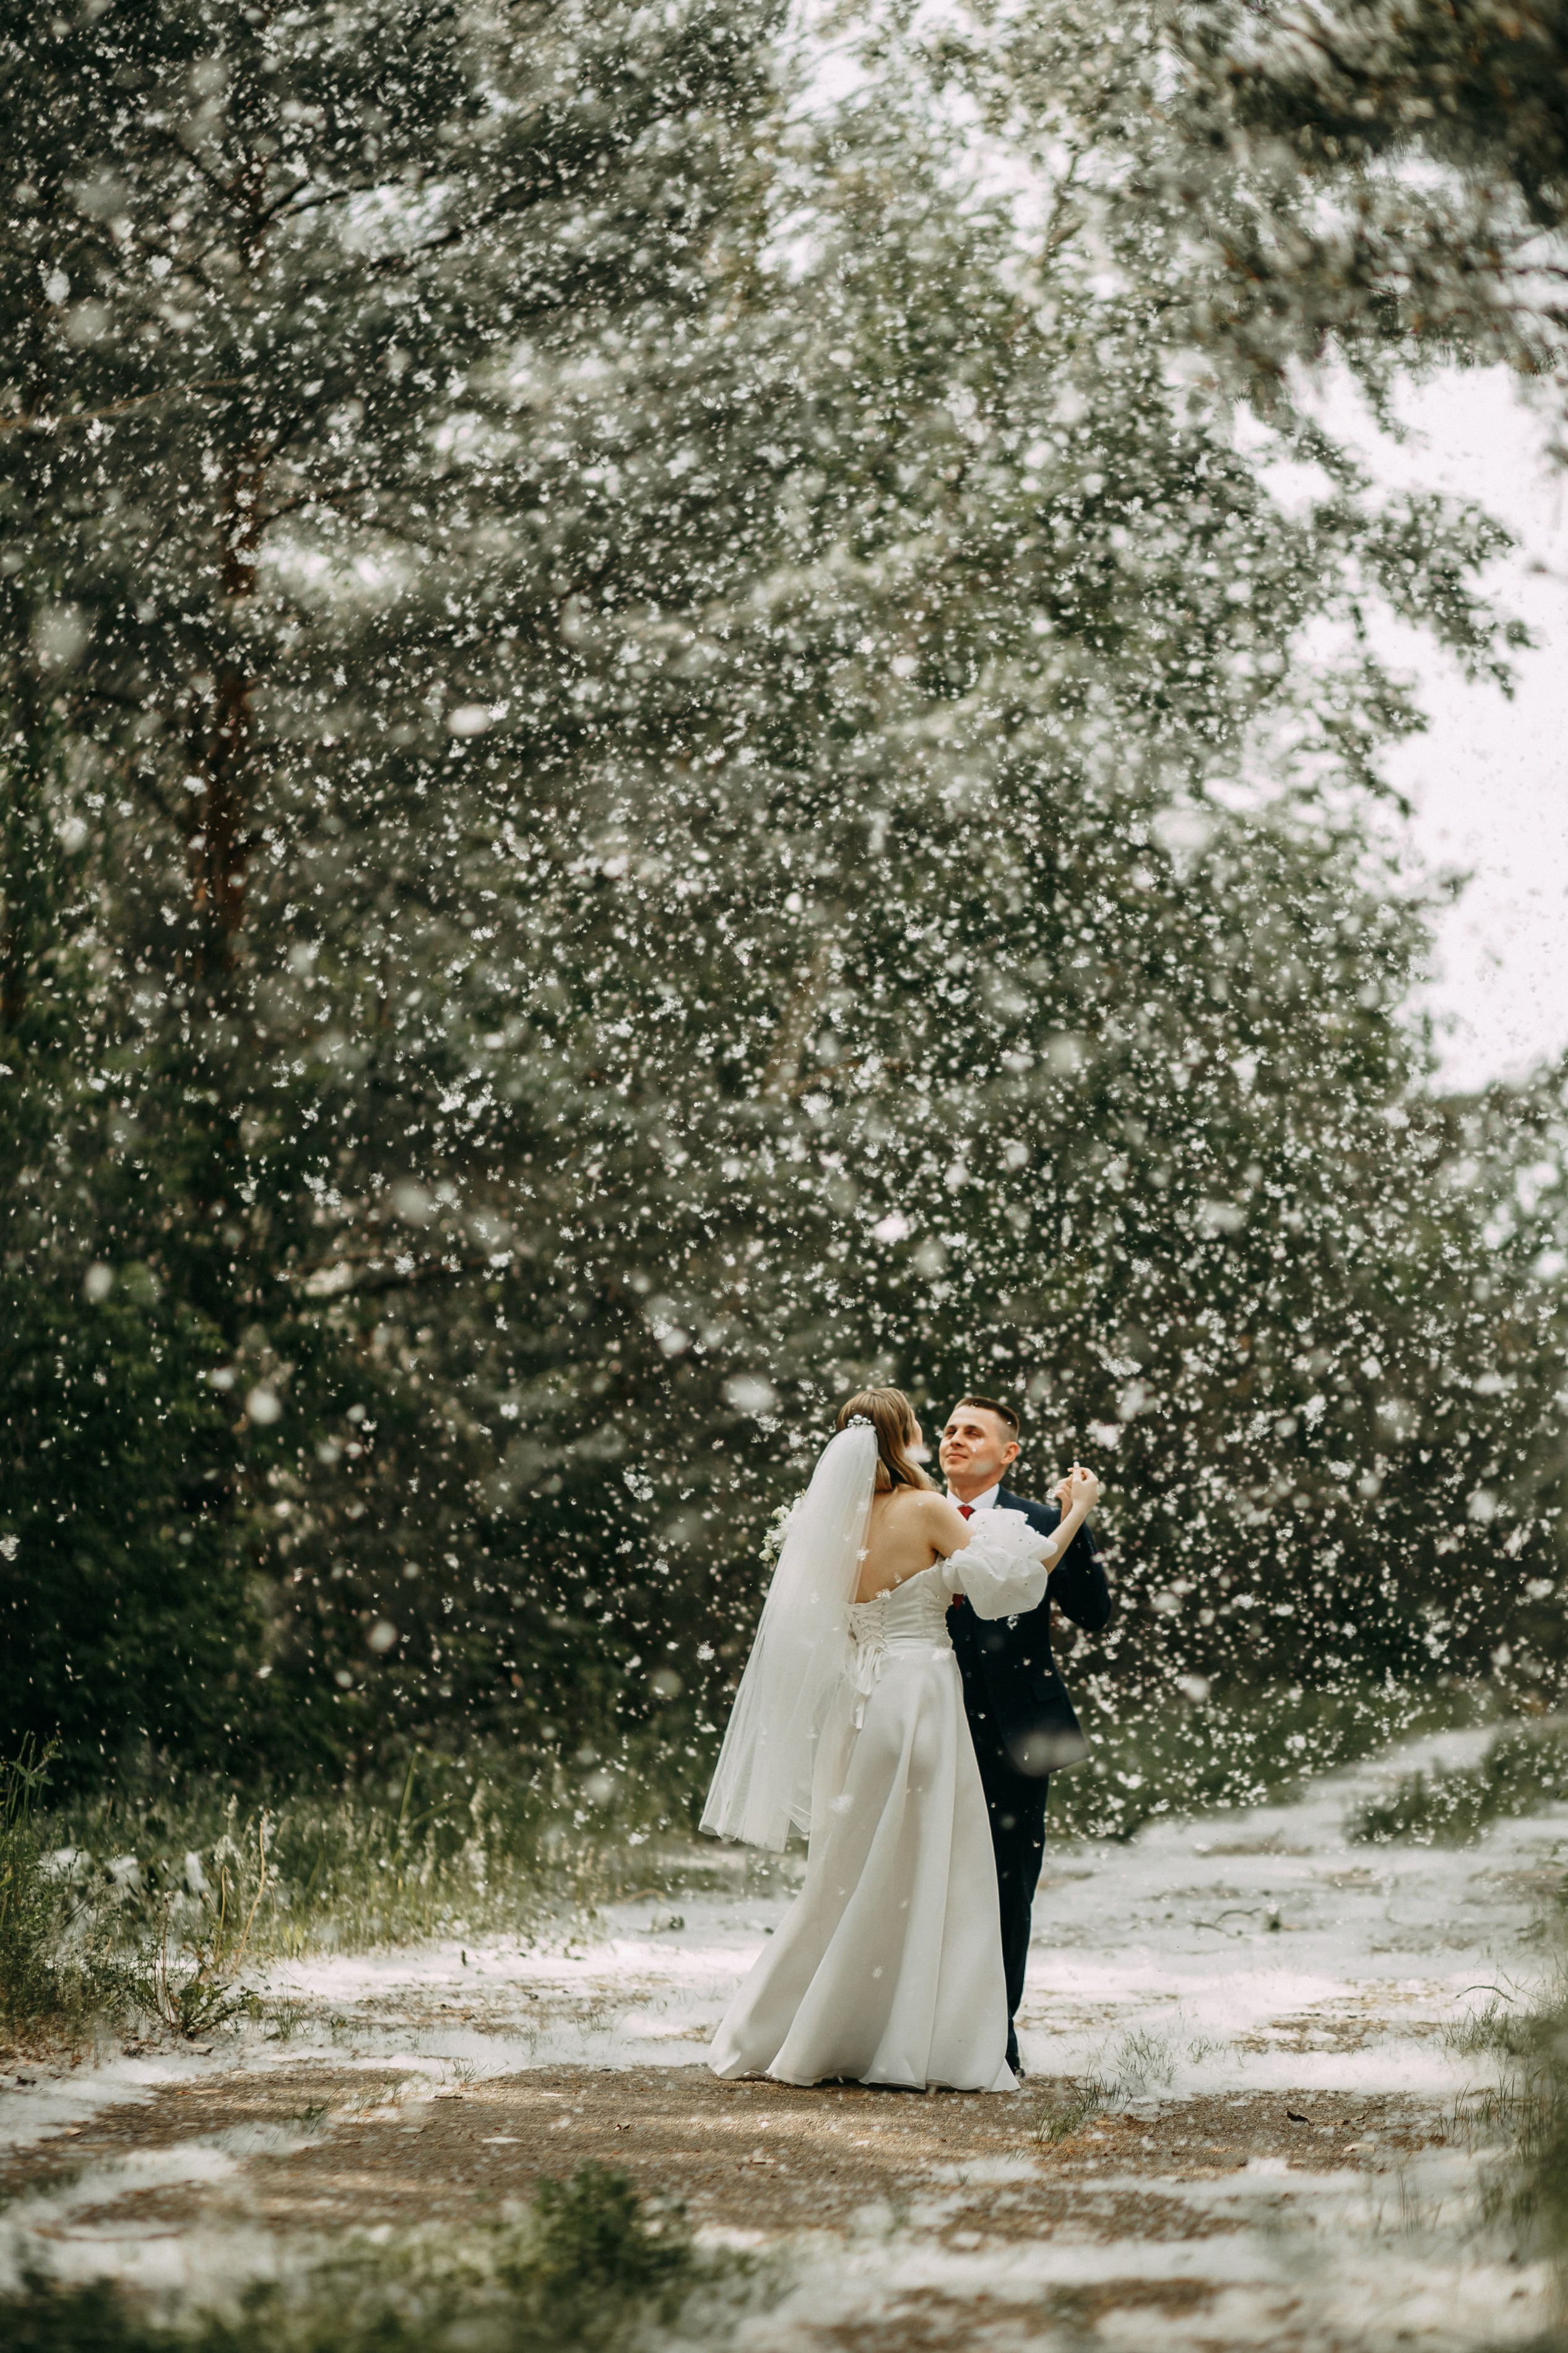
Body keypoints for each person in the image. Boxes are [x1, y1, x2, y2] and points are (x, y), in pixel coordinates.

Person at [701, 1386, 1099, 2092]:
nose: (941, 1439)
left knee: (853, 1874)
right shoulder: (924, 1508)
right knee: (939, 1868)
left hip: (864, 1707)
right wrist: (1074, 1517)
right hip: (921, 1702)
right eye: (928, 1428)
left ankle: (812, 2023)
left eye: (963, 1430)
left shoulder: (829, 1521)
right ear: (902, 1439)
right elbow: (1014, 1582)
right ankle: (923, 2034)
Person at [940, 1396, 1112, 2078]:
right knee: (929, 1874)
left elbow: (1094, 1614)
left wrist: (1077, 1521)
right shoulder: (910, 1513)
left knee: (1010, 1882)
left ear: (1008, 1453)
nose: (955, 1439)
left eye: (973, 1432)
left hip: (1020, 1726)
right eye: (949, 1429)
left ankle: (993, 2035)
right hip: (931, 1714)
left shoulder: (1043, 1521)